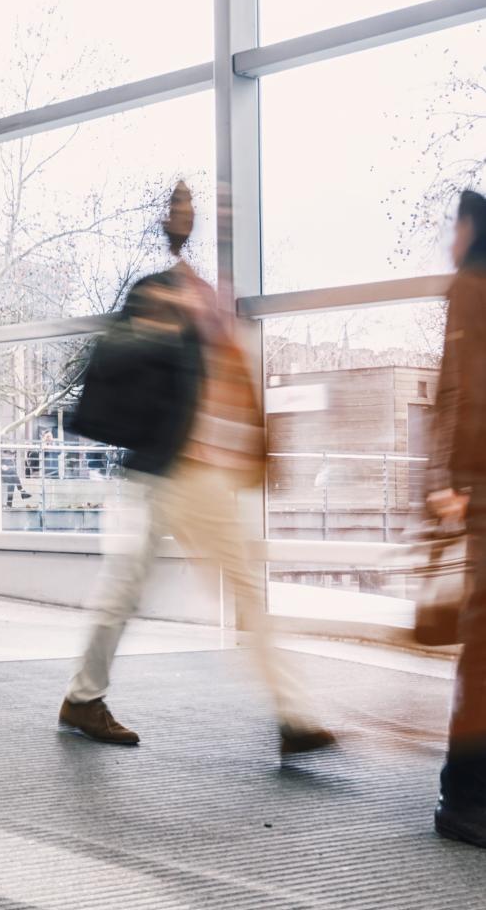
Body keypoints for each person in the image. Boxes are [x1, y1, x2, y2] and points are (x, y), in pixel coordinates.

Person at [59, 181, 333, 755]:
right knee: (132, 586)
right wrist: (156, 330)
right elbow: (112, 363)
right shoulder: (157, 294)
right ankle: (86, 700)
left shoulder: (208, 299)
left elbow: (230, 390)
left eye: (194, 208)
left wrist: (257, 451)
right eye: (179, 208)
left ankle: (290, 714)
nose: (188, 217)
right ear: (167, 222)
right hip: (165, 469)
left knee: (220, 586)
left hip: (196, 475)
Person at [426, 188, 486, 848]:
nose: (450, 240)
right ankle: (462, 796)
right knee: (483, 652)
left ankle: (467, 790)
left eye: (456, 227)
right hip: (483, 490)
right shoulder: (471, 287)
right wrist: (453, 480)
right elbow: (461, 390)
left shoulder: (474, 285)